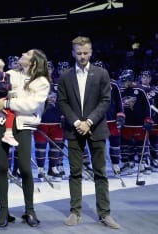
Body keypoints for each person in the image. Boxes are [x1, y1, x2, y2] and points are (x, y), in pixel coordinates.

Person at [57, 36, 120, 229]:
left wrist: (89, 121)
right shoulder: (65, 76)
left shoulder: (101, 73)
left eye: (85, 53)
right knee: (75, 173)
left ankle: (105, 214)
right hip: (74, 129)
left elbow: (105, 101)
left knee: (100, 172)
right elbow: (62, 102)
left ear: (91, 52)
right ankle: (75, 212)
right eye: (79, 53)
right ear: (73, 53)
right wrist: (77, 122)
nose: (82, 56)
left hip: (97, 128)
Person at [0, 49, 50, 228]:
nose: (23, 53)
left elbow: (30, 105)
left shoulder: (42, 81)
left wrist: (8, 102)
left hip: (24, 125)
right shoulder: (9, 74)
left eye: (27, 53)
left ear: (33, 62)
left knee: (24, 167)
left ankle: (29, 210)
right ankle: (3, 211)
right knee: (1, 165)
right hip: (1, 122)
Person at [33, 60, 64, 182]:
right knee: (40, 147)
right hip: (42, 121)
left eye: (50, 68)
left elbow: (64, 102)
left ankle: (53, 168)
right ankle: (41, 169)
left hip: (57, 122)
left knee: (55, 147)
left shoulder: (59, 85)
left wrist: (64, 116)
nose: (48, 71)